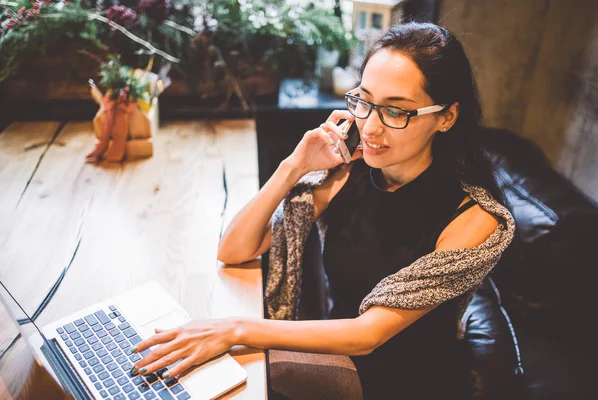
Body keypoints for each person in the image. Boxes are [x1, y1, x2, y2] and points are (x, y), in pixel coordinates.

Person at [128, 22, 512, 399]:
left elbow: (368, 334)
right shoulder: (348, 174)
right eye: (364, 102)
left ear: (446, 117)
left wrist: (234, 329)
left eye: (396, 112)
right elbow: (234, 250)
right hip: (334, 352)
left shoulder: (476, 218)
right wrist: (293, 166)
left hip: (406, 381)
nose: (371, 127)